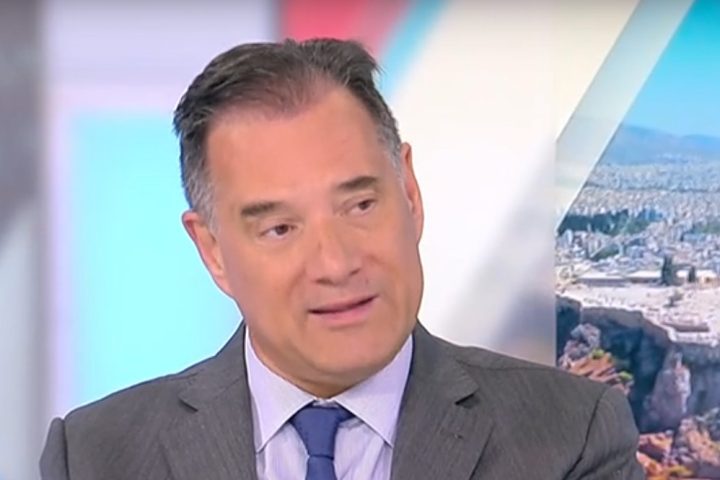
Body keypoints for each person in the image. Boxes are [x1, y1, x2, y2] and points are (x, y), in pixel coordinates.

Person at [40, 38, 643, 480]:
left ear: (410, 194)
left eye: (360, 205)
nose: (335, 263)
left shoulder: (570, 436)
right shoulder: (96, 456)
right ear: (213, 251)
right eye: (280, 228)